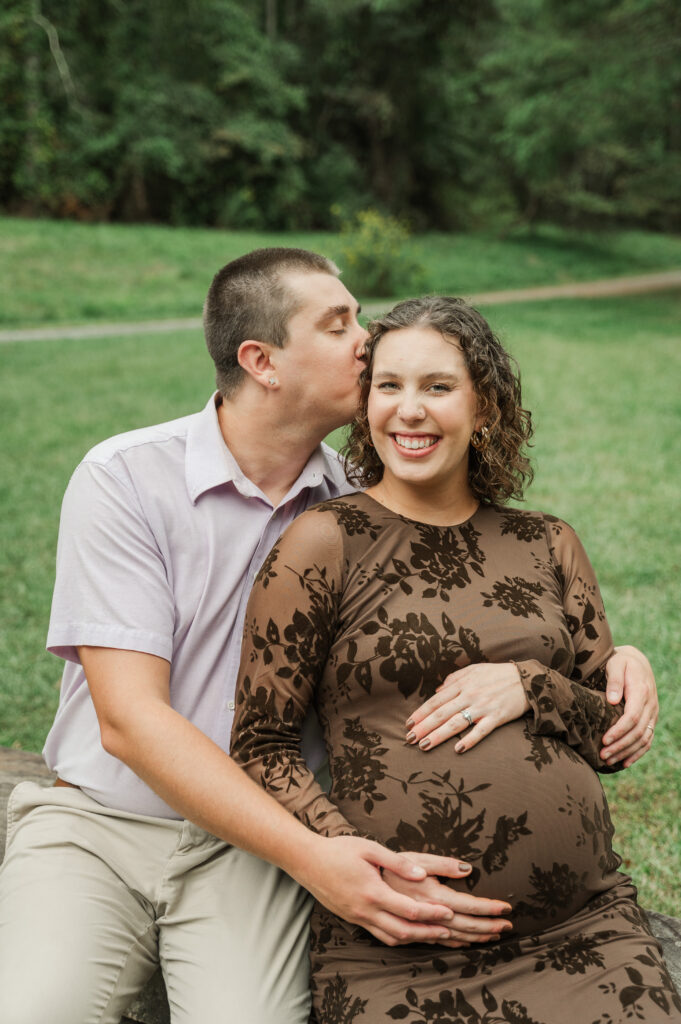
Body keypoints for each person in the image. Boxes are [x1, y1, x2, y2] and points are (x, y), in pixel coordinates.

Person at [0, 252, 657, 1024]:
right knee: (36, 1010)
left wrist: (616, 663)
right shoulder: (128, 478)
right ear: (261, 361)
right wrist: (319, 861)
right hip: (106, 824)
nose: (367, 338)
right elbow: (130, 721)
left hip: (251, 848)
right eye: (339, 323)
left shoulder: (370, 492)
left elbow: (494, 604)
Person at [230, 295, 679, 1024]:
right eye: (389, 386)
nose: (408, 410)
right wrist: (361, 868)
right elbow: (261, 744)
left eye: (437, 387)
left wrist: (532, 685)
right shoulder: (324, 541)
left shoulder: (547, 543)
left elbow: (609, 740)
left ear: (486, 408)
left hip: (582, 935)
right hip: (396, 942)